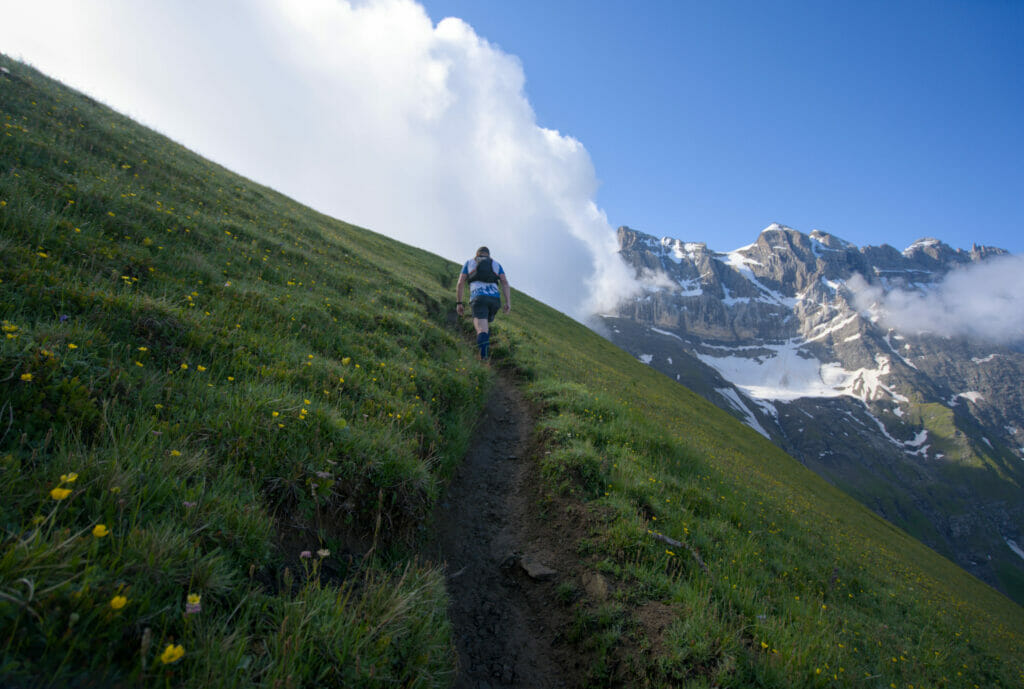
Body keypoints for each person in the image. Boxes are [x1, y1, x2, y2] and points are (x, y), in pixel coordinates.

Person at [456, 246, 511, 361]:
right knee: (486, 323)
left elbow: (460, 283)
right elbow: (505, 282)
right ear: (489, 255)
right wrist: (508, 302)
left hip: (479, 298)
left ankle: (484, 357)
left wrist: (459, 303)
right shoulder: (496, 264)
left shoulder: (469, 262)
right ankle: (485, 345)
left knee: (482, 329)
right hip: (495, 300)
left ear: (477, 254)